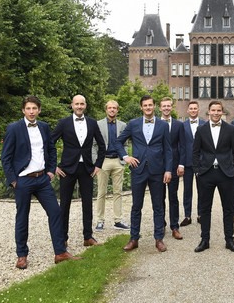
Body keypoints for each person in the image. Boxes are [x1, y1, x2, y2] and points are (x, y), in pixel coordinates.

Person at [1, 95, 81, 269]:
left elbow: (51, 149)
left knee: (55, 212)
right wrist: (13, 180)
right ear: (23, 110)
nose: (31, 111)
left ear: (39, 110)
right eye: (28, 108)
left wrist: (51, 171)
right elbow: (5, 157)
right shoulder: (14, 128)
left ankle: (60, 252)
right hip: (23, 180)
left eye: (34, 108)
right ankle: (22, 255)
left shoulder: (44, 127)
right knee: (22, 217)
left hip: (42, 180)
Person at [113, 95, 173, 252]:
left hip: (157, 171)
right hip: (138, 170)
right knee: (136, 206)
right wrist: (126, 157)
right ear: (141, 107)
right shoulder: (133, 124)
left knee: (158, 206)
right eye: (145, 105)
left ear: (154, 106)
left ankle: (159, 239)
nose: (148, 107)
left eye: (150, 105)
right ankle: (134, 238)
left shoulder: (163, 125)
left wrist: (168, 169)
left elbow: (168, 149)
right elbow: (118, 142)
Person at [52, 94, 106, 247]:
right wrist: (53, 166)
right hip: (67, 169)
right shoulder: (63, 123)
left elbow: (102, 146)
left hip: (87, 168)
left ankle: (88, 236)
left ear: (85, 105)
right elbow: (49, 143)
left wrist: (98, 165)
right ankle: (63, 238)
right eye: (77, 104)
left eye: (82, 104)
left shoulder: (92, 123)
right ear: (72, 105)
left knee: (87, 203)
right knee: (64, 204)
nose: (79, 106)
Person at [193, 100, 234, 253]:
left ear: (222, 112)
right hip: (206, 173)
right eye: (213, 110)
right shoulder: (201, 129)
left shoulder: (230, 129)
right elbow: (195, 152)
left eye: (218, 110)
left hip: (225, 173)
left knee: (228, 209)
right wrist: (197, 171)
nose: (215, 113)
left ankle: (229, 240)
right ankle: (204, 240)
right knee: (205, 208)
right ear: (208, 111)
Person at [93, 100, 130, 231]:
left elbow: (125, 144)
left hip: (118, 161)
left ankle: (118, 221)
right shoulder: (98, 124)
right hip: (103, 161)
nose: (112, 110)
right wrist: (96, 162)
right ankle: (100, 221)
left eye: (114, 108)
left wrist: (123, 159)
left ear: (117, 110)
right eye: (110, 108)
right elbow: (93, 144)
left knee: (118, 192)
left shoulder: (123, 125)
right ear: (106, 110)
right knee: (101, 192)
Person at [159, 97, 186, 240]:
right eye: (164, 106)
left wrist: (181, 164)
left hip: (174, 165)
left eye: (168, 106)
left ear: (171, 107)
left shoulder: (178, 125)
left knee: (173, 197)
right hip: (158, 165)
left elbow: (183, 145)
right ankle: (161, 225)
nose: (166, 108)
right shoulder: (155, 123)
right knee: (159, 197)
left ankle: (174, 227)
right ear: (160, 108)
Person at [180, 101, 205, 226]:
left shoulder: (205, 124)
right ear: (188, 110)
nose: (193, 110)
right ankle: (187, 216)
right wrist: (181, 163)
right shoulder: (182, 125)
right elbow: (181, 145)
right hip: (187, 162)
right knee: (187, 190)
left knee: (202, 190)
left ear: (198, 110)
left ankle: (201, 215)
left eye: (195, 108)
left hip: (202, 163)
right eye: (191, 108)